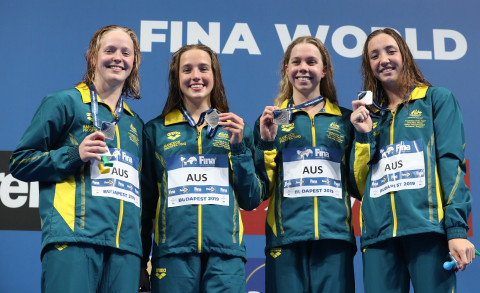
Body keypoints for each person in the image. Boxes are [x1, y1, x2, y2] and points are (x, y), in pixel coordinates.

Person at [9, 25, 144, 293]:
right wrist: (74, 154)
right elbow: (21, 163)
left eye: (126, 52)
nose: (118, 57)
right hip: (73, 239)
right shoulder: (63, 103)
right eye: (110, 50)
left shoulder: (135, 124)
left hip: (125, 250)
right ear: (93, 57)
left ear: (134, 62)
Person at [350, 28, 475, 293]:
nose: (383, 59)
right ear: (368, 66)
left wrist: (456, 231)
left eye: (390, 51)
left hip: (427, 231)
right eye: (374, 55)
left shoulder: (435, 99)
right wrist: (363, 136)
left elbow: (452, 166)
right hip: (379, 237)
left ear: (404, 55)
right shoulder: (369, 117)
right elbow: (359, 184)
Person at [139, 44, 262, 293]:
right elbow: (146, 205)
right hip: (172, 256)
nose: (196, 76)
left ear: (214, 76)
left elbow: (251, 200)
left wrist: (238, 149)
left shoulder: (236, 129)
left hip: (225, 257)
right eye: (187, 69)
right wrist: (142, 261)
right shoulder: (155, 131)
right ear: (177, 78)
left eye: (203, 68)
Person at [254, 36, 358, 293]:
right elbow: (262, 188)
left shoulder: (347, 120)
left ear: (324, 71)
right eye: (296, 62)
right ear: (286, 69)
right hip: (286, 239)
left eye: (311, 62)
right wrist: (267, 144)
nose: (303, 68)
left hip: (334, 238)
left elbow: (358, 183)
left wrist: (364, 135)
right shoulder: (272, 120)